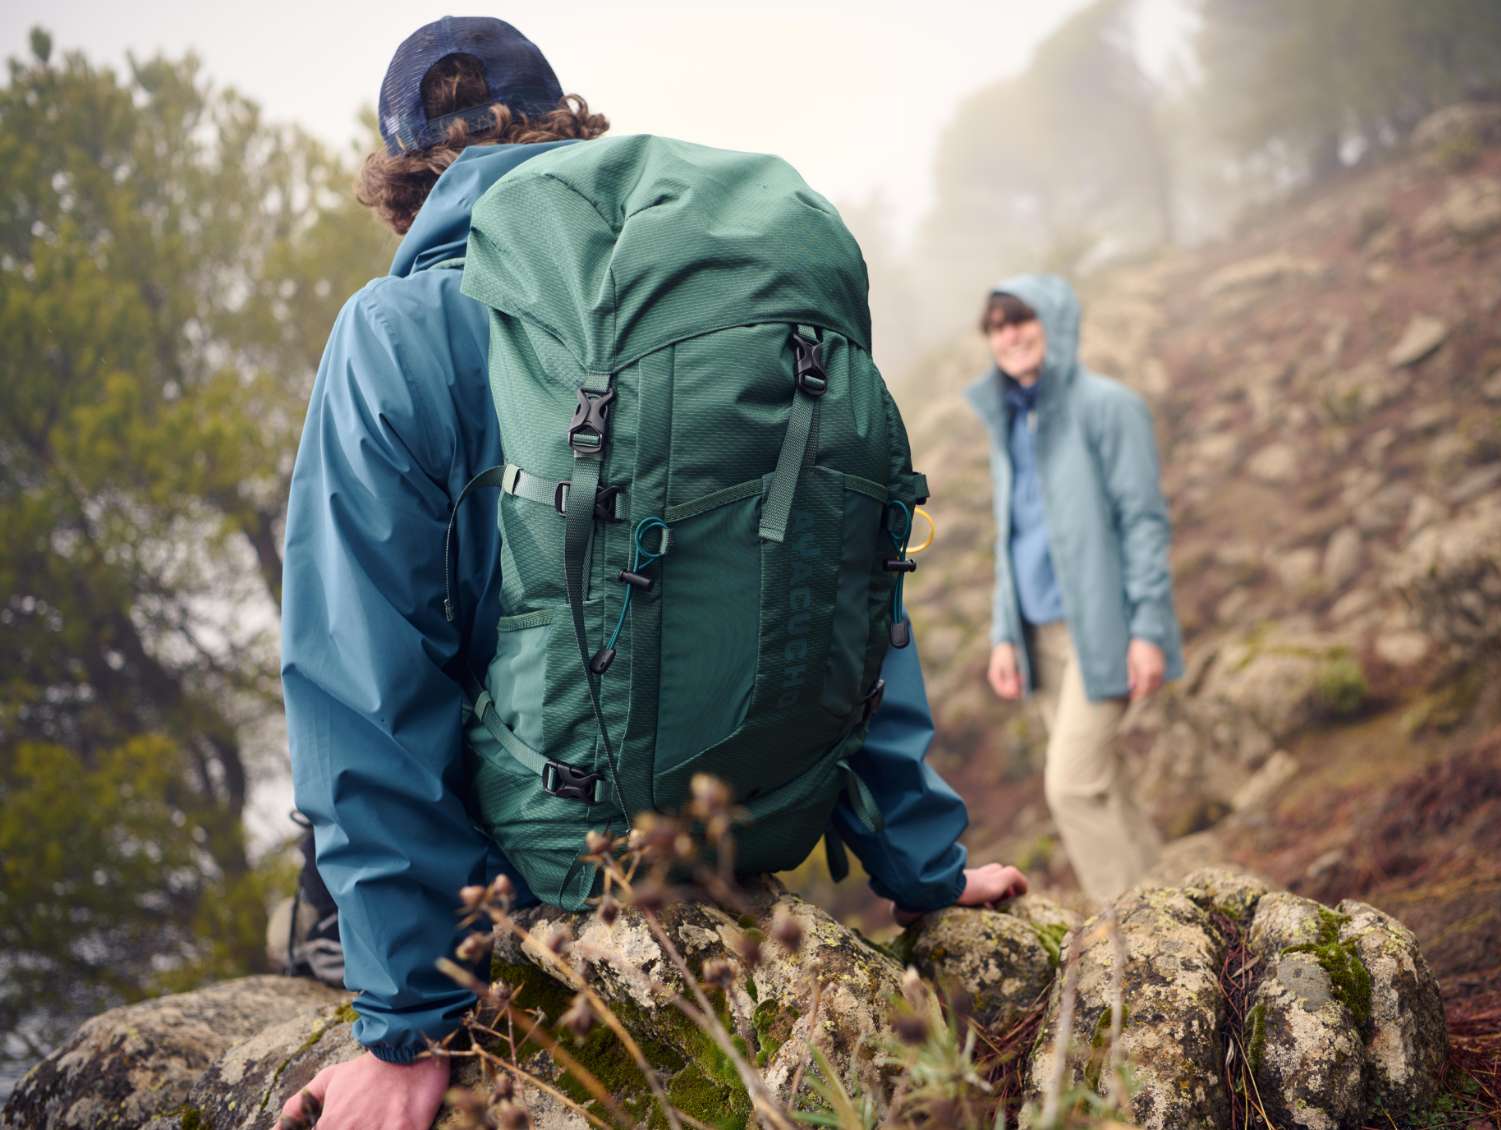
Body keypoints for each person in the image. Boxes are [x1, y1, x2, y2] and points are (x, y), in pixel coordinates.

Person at [276, 19, 1025, 1129]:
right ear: (567, 129)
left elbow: (361, 672)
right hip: (747, 828)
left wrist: (408, 1026)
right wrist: (920, 858)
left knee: (304, 914)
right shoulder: (716, 281)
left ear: (404, 195)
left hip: (544, 873)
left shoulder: (394, 327)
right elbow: (842, 562)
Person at [969, 276, 1185, 905]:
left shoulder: (1110, 406)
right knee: (1104, 783)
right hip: (1039, 636)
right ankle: (1171, 917)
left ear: (1054, 321)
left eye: (1020, 318)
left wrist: (1146, 629)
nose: (1008, 334)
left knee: (1070, 785)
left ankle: (1130, 939)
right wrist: (1005, 633)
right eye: (996, 325)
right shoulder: (1008, 420)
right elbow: (1010, 535)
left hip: (1105, 632)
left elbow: (1144, 522)